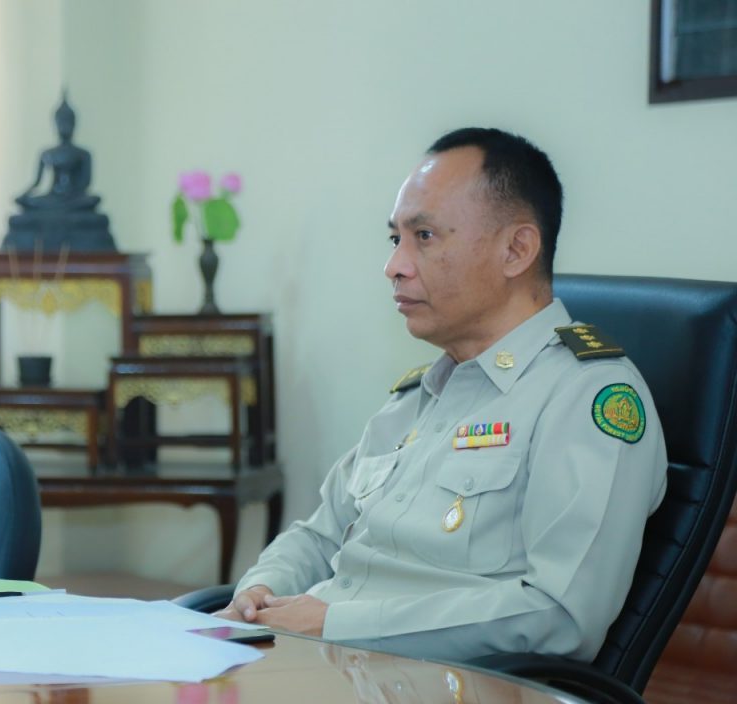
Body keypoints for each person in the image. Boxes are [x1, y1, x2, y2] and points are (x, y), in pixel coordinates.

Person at [217, 127, 667, 662]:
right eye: (395, 239)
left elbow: (558, 615)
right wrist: (258, 592)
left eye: (424, 236)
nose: (394, 266)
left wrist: (336, 623)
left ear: (516, 250)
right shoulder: (419, 394)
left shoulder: (586, 397)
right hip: (314, 658)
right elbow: (320, 535)